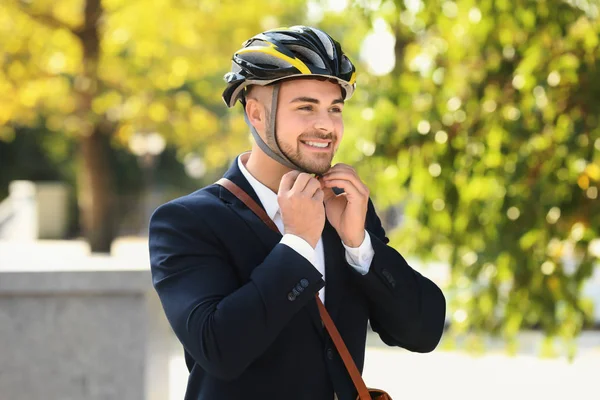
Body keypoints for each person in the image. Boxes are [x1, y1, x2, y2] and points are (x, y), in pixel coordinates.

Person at [149, 25, 446, 400]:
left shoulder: (346, 209)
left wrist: (360, 247)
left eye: (334, 108)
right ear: (256, 114)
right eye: (306, 107)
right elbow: (219, 349)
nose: (326, 124)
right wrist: (298, 244)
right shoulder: (186, 223)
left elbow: (423, 332)